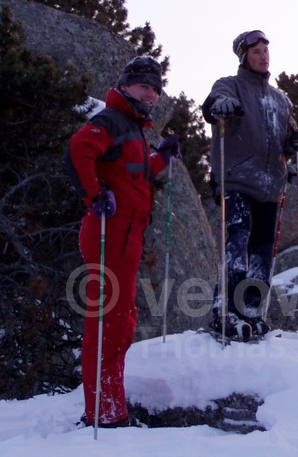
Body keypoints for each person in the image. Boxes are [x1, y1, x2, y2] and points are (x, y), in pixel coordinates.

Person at [64, 56, 181, 428]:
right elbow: (79, 149)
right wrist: (94, 195)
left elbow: (136, 173)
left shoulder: (132, 128)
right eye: (144, 85)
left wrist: (160, 159)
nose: (151, 93)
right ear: (126, 85)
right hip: (108, 233)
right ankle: (104, 414)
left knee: (121, 321)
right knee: (108, 323)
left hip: (127, 236)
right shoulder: (111, 120)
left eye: (156, 89)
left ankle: (111, 408)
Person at [201, 30, 298, 340]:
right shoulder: (229, 85)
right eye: (256, 51)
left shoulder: (280, 99)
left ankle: (252, 312)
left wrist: (297, 141)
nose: (263, 55)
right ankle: (226, 312)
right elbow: (212, 104)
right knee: (237, 245)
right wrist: (223, 105)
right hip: (237, 180)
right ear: (244, 56)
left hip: (271, 186)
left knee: (262, 253)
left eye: (265, 50)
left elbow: (287, 141)